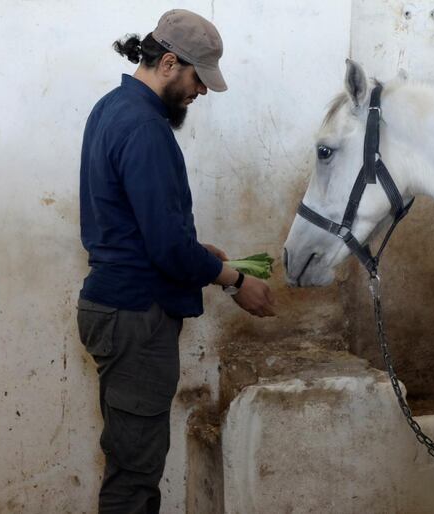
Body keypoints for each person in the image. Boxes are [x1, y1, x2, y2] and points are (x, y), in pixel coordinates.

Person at [76, 9, 276, 513]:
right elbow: (165, 248)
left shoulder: (110, 108)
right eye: (197, 79)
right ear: (169, 62)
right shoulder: (146, 128)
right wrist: (233, 281)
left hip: (116, 307)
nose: (201, 92)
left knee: (130, 463)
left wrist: (194, 249)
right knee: (135, 478)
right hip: (135, 318)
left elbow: (136, 226)